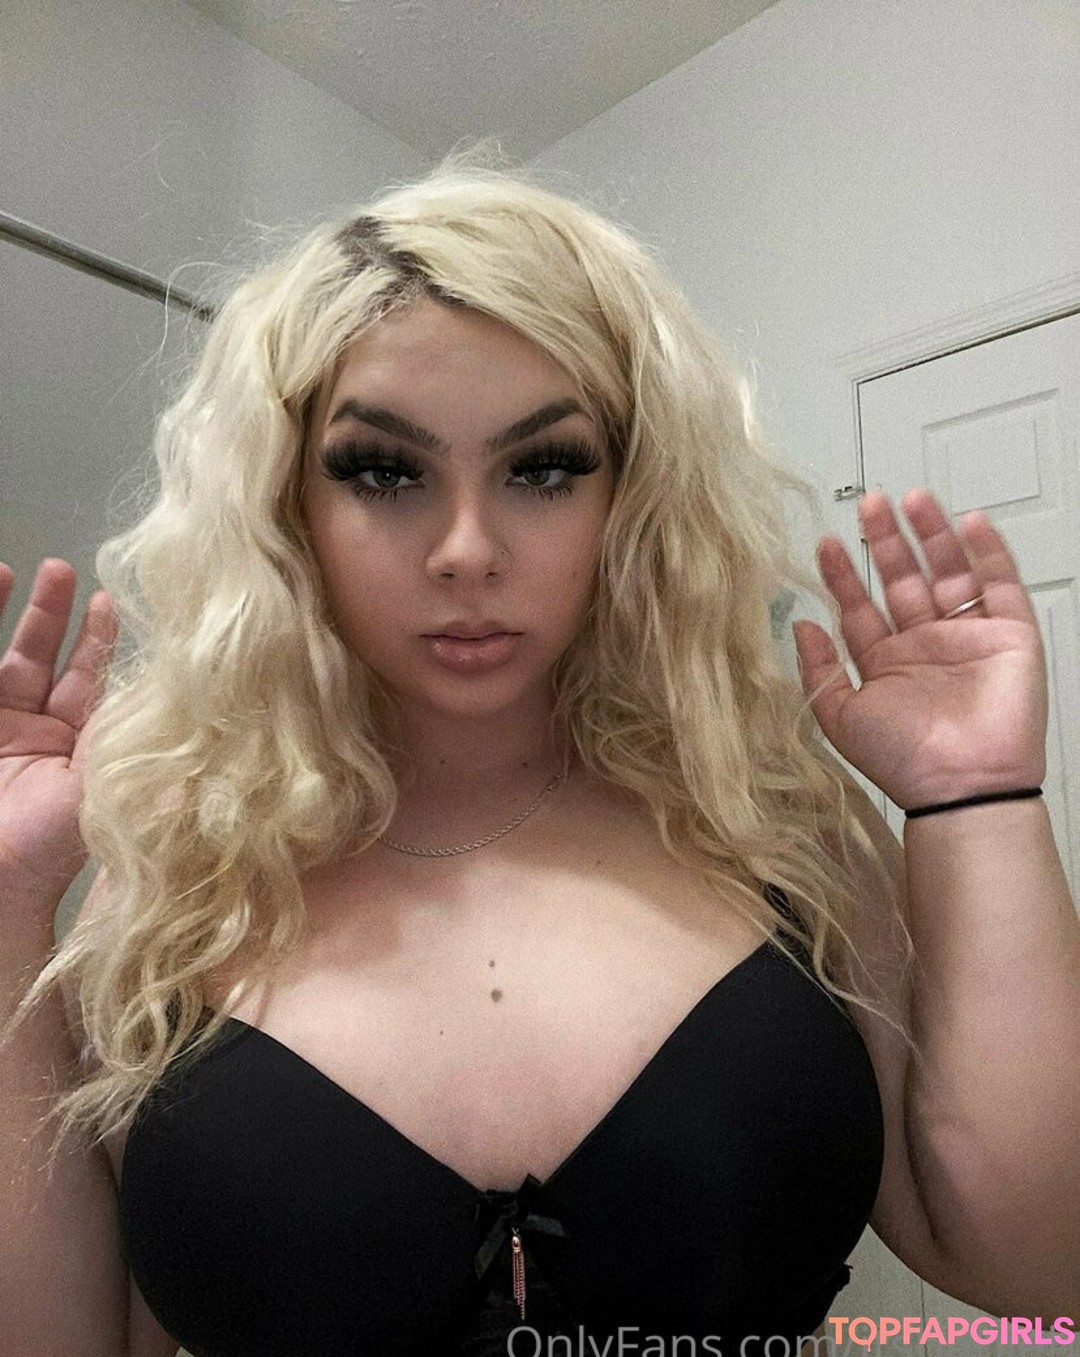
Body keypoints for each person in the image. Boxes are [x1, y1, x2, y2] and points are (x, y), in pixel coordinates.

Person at [1, 149, 1077, 1357]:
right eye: (384, 470)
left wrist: (978, 796)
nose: (467, 548)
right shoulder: (182, 864)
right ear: (287, 504)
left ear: (633, 495)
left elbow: (1038, 1260)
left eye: (543, 467)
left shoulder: (769, 808)